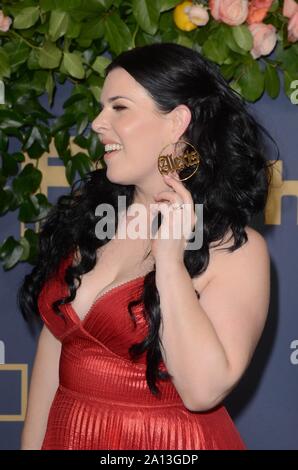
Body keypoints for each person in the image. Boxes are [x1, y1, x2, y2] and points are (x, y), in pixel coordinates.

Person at [18, 42, 276, 450]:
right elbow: (54, 351)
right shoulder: (89, 221)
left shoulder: (235, 249)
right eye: (102, 107)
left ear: (176, 123)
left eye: (119, 107)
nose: (98, 124)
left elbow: (203, 389)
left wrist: (170, 262)